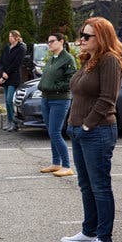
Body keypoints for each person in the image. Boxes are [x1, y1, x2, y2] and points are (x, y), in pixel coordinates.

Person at [61, 17, 122, 242]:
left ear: (102, 38)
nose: (82, 39)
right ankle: (89, 231)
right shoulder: (89, 60)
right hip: (79, 131)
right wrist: (72, 124)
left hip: (97, 131)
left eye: (87, 36)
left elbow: (108, 99)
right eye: (82, 34)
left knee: (100, 186)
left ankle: (104, 238)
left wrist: (87, 125)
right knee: (86, 185)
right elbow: (79, 95)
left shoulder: (109, 60)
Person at [37, 33, 76, 177]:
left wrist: (54, 86)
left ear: (61, 42)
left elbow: (71, 80)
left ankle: (66, 165)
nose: (49, 44)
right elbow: (47, 76)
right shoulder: (52, 59)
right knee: (51, 132)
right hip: (46, 98)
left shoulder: (68, 59)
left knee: (55, 132)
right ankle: (55, 163)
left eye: (52, 41)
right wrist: (43, 85)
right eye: (48, 41)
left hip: (60, 100)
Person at [0, 30, 27, 131]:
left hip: (13, 78)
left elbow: (16, 64)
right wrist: (2, 73)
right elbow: (1, 62)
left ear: (16, 37)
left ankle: (15, 122)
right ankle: (9, 121)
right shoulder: (6, 47)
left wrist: (6, 74)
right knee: (6, 101)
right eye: (9, 36)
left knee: (10, 100)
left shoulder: (21, 48)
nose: (9, 38)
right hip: (5, 77)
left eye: (11, 36)